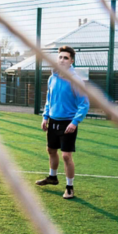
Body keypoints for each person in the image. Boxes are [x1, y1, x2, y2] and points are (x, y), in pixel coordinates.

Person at [35, 46, 89, 199]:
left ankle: (70, 187)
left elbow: (84, 104)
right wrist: (45, 117)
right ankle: (52, 177)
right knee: (51, 151)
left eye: (66, 58)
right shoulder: (52, 78)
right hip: (53, 121)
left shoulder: (75, 80)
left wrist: (75, 122)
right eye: (60, 57)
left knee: (66, 156)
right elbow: (49, 100)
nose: (62, 60)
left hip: (68, 123)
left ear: (71, 61)